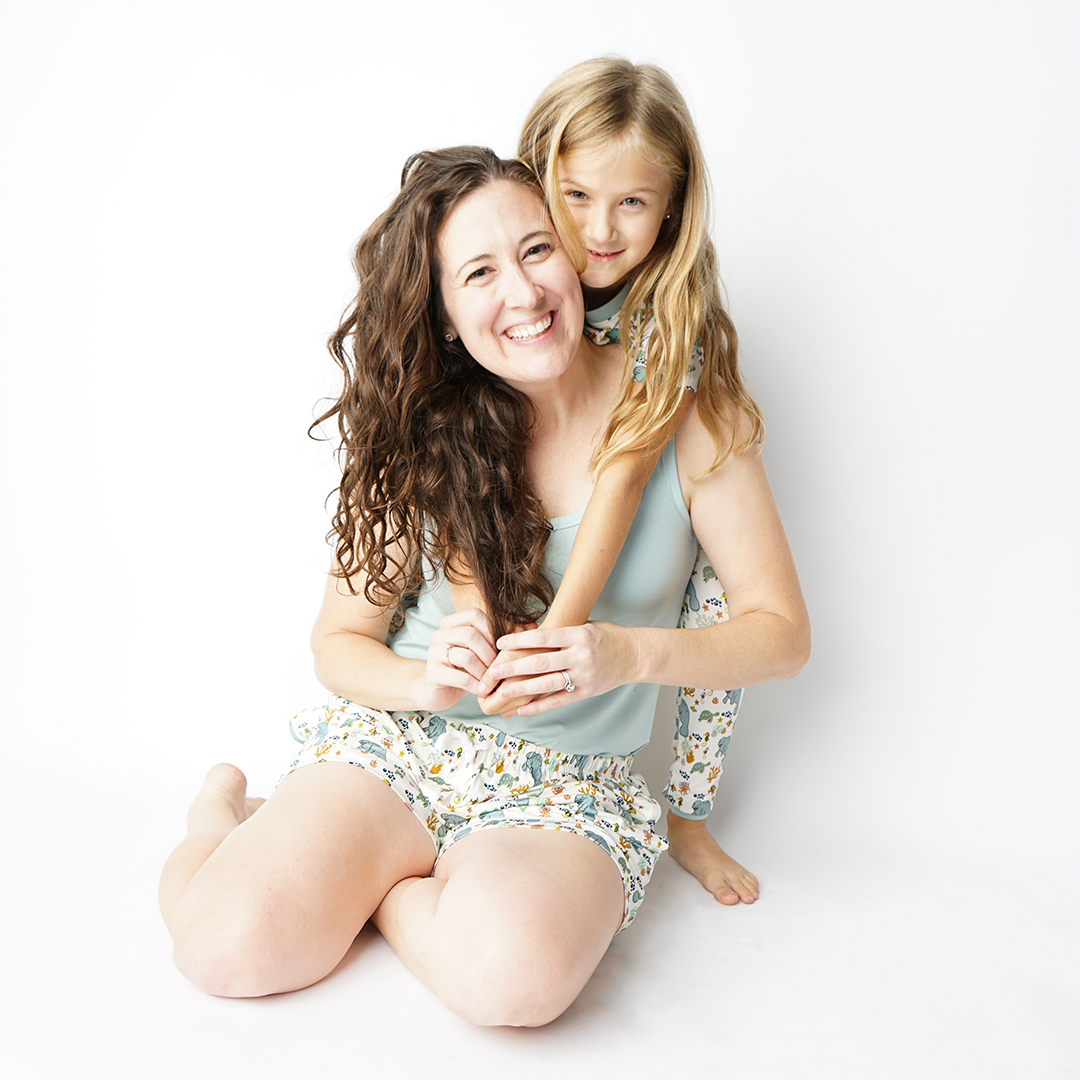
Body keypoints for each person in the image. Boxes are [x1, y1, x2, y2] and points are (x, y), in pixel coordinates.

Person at [158, 147, 809, 1026]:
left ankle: (382, 889)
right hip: (399, 746)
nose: (525, 292)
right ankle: (220, 818)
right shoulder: (426, 429)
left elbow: (781, 633)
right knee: (221, 946)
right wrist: (422, 681)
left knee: (516, 988)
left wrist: (625, 653)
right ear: (450, 320)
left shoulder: (690, 412)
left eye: (537, 250)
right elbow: (336, 643)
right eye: (479, 273)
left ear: (574, 255)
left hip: (569, 782)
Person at [451, 58, 764, 905]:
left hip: (647, 509)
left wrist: (560, 634)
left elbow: (621, 480)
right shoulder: (517, 285)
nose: (600, 231)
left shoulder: (664, 320)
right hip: (530, 535)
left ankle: (689, 821)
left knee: (718, 610)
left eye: (633, 201)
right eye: (578, 196)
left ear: (671, 209)